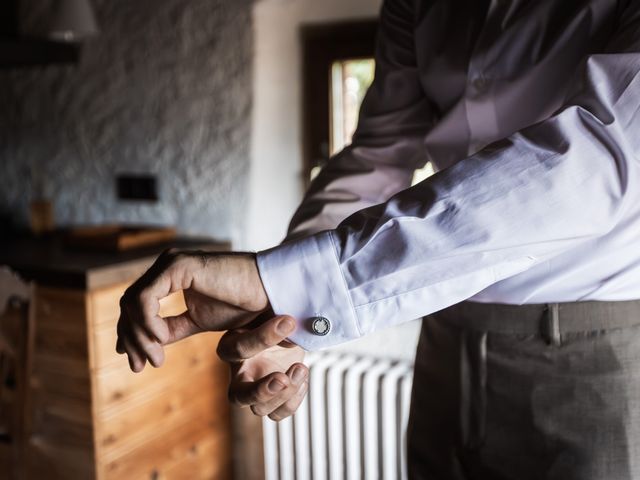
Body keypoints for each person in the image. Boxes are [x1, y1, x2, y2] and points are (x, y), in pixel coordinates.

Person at [117, 0, 640, 477]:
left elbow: (601, 157)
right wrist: (284, 315)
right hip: (444, 339)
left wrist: (293, 284)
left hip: (591, 354)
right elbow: (380, 152)